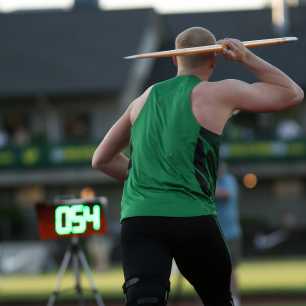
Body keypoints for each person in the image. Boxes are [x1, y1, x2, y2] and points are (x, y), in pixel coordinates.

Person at [92, 27, 303, 306]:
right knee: (218, 299)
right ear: (214, 60)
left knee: (144, 300)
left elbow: (101, 159)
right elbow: (291, 94)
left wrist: (147, 180)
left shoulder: (143, 99)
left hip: (140, 218)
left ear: (174, 59)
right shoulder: (220, 93)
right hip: (191, 216)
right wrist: (246, 57)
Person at [215, 164, 241, 306]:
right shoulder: (212, 181)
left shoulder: (229, 180)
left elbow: (224, 194)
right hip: (216, 233)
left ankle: (235, 300)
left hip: (231, 234)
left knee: (230, 270)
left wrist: (204, 189)